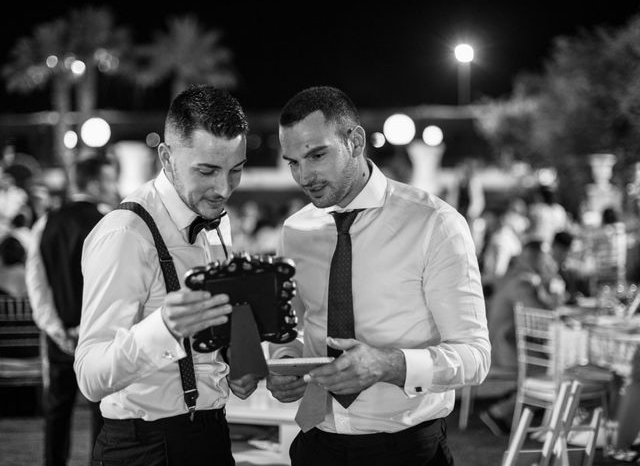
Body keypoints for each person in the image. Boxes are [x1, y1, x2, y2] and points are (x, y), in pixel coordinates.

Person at [267, 86, 490, 466]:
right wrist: (285, 360)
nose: (304, 176)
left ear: (354, 142)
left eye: (317, 155)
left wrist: (390, 364)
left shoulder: (435, 224)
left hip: (405, 449)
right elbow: (292, 325)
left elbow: (475, 356)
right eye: (293, 162)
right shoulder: (295, 231)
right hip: (317, 443)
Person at [74, 85, 258, 466]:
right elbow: (90, 376)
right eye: (207, 171)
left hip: (211, 434)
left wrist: (234, 365)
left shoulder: (216, 223)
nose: (223, 189)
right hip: (146, 447)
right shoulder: (125, 232)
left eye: (235, 170)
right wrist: (163, 329)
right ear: (167, 157)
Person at [25, 156, 118, 466]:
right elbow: (116, 286)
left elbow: (37, 284)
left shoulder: (46, 222)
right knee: (103, 413)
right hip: (101, 337)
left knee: (57, 411)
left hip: (60, 336)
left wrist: (56, 329)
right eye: (109, 180)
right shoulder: (110, 221)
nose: (113, 186)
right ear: (93, 183)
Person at [480, 238, 559, 436]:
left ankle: (514, 403)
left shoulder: (515, 276)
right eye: (543, 258)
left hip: (505, 344)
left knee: (549, 363)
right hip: (503, 350)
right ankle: (500, 411)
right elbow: (543, 317)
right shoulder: (522, 281)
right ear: (535, 258)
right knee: (554, 367)